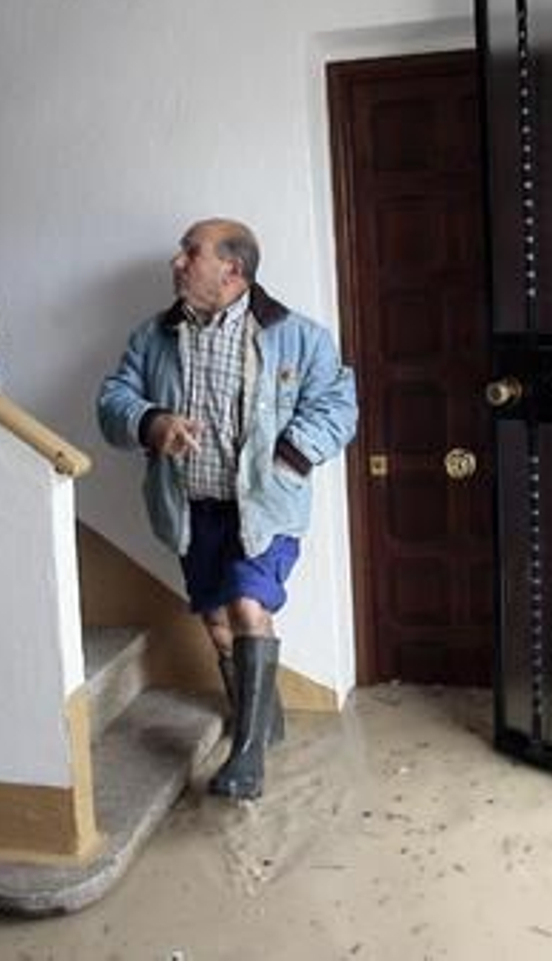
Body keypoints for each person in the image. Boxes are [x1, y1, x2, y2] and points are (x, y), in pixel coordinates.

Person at [97, 218, 357, 800]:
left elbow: (340, 405)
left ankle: (247, 755)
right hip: (193, 510)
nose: (178, 262)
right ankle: (266, 718)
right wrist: (151, 422)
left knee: (246, 605)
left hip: (264, 509)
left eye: (192, 252)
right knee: (216, 620)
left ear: (233, 270)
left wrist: (290, 454)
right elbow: (113, 398)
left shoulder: (299, 337)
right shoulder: (152, 337)